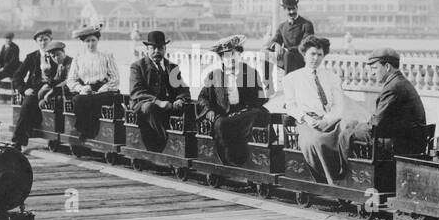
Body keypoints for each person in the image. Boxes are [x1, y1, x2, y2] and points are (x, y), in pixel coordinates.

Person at [337, 47, 428, 160]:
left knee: (345, 135)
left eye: (375, 68)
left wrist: (356, 126)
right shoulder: (401, 82)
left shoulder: (393, 87)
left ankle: (349, 174)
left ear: (387, 67)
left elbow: (376, 125)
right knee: (353, 127)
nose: (372, 73)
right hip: (410, 141)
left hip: (401, 145)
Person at [282, 35, 348, 182]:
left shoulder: (332, 78)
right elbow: (291, 107)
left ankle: (345, 177)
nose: (315, 58)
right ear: (304, 54)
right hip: (306, 122)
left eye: (320, 55)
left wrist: (327, 120)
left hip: (330, 120)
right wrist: (307, 119)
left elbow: (339, 105)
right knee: (316, 141)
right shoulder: (292, 79)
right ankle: (328, 179)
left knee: (346, 136)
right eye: (312, 54)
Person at [197, 35, 269, 166]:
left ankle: (255, 156)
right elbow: (202, 97)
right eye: (226, 55)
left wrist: (253, 104)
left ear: (240, 54)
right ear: (222, 58)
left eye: (234, 54)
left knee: (261, 113)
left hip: (245, 114)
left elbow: (260, 97)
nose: (231, 58)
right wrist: (209, 110)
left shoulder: (251, 72)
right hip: (224, 115)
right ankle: (231, 158)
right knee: (221, 125)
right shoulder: (214, 75)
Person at [127, 30, 190, 152]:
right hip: (144, 105)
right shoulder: (138, 66)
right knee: (149, 107)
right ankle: (165, 143)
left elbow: (183, 89)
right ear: (147, 49)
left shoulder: (172, 67)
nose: (157, 51)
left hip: (168, 105)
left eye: (160, 48)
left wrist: (180, 99)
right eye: (153, 48)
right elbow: (137, 91)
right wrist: (158, 102)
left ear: (165, 49)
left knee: (189, 108)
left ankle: (186, 144)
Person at [10, 31, 66, 148]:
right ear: (36, 42)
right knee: (28, 104)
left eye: (45, 39)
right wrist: (24, 89)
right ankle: (18, 141)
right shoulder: (31, 57)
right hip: (35, 89)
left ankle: (57, 137)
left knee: (61, 102)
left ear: (51, 40)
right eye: (40, 40)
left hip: (54, 88)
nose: (43, 42)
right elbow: (17, 76)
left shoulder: (58, 55)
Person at [65, 24, 121, 139]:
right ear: (83, 42)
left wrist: (103, 88)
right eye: (87, 41)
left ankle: (90, 131)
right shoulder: (79, 58)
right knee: (78, 100)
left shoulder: (106, 56)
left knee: (96, 100)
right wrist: (81, 88)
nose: (91, 44)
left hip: (104, 90)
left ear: (98, 40)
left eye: (93, 40)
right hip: (86, 90)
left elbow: (115, 78)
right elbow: (71, 80)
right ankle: (85, 130)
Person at [264, 0, 316, 85]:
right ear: (284, 10)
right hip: (286, 58)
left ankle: (288, 84)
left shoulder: (306, 24)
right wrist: (276, 45)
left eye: (293, 8)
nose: (292, 12)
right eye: (289, 9)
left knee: (288, 55)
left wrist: (286, 49)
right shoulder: (282, 26)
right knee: (265, 52)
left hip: (302, 58)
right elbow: (274, 40)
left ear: (297, 7)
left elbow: (306, 44)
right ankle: (267, 84)